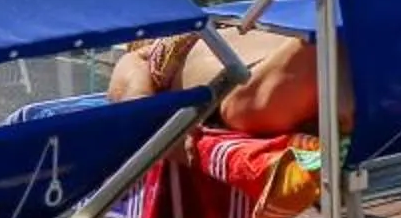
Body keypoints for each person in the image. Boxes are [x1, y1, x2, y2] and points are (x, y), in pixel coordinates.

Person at [108, 25, 342, 137]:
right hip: (256, 79)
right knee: (323, 42)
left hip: (251, 84)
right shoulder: (141, 53)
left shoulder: (142, 56)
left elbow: (136, 108)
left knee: (319, 48)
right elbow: (137, 110)